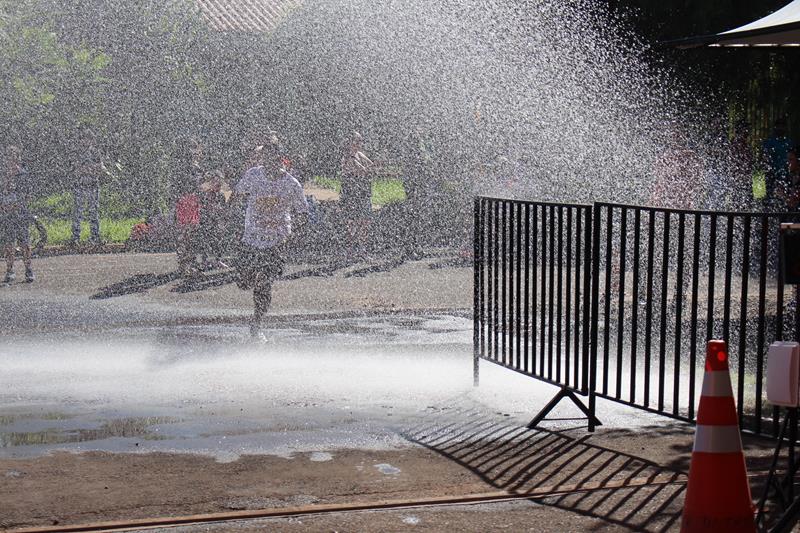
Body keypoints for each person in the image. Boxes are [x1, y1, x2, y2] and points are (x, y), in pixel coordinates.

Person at [234, 136, 308, 337]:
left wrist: (292, 236)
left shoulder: (291, 183)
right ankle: (250, 281)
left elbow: (303, 212)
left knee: (264, 283)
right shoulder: (253, 175)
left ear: (280, 159)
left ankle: (257, 324)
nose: (269, 163)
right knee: (244, 281)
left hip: (277, 239)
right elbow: (236, 195)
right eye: (265, 157)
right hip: (251, 237)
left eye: (273, 158)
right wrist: (230, 216)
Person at [2, 145, 35, 283]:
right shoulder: (2, 175)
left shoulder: (23, 175)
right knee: (9, 244)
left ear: (18, 159)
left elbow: (28, 196)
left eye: (15, 157)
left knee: (25, 244)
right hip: (6, 214)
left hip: (21, 213)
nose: (12, 161)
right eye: (9, 158)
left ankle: (28, 270)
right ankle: (10, 270)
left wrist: (16, 205)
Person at [340, 132, 375, 257]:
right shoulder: (348, 157)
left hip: (362, 192)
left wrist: (367, 170)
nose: (360, 143)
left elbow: (372, 166)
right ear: (350, 143)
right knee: (352, 222)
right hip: (352, 193)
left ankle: (362, 249)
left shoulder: (358, 154)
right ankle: (350, 249)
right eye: (357, 141)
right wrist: (365, 170)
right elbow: (363, 170)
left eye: (360, 141)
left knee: (365, 221)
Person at [71, 130, 103, 245]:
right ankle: (75, 237)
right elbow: (76, 169)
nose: (85, 141)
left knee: (93, 212)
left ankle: (95, 236)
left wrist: (87, 169)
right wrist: (89, 169)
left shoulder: (95, 153)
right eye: (83, 138)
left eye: (88, 138)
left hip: (93, 186)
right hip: (79, 186)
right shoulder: (76, 153)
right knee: (78, 213)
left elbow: (99, 169)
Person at [761, 118, 794, 210]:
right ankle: (767, 216)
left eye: (782, 126)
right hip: (772, 173)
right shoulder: (769, 142)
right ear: (775, 127)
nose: (780, 128)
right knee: (769, 197)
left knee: (786, 197)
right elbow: (765, 157)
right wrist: (768, 169)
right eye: (779, 126)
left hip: (786, 174)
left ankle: (785, 215)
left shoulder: (789, 142)